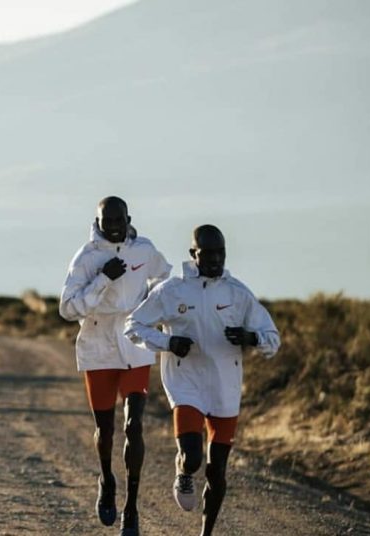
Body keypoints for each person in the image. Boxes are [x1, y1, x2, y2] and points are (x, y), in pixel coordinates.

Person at [124, 224, 280, 536]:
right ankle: (183, 471)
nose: (215, 259)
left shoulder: (237, 293)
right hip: (186, 383)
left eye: (221, 253)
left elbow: (272, 339)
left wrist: (250, 337)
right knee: (193, 457)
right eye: (208, 254)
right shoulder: (173, 290)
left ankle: (206, 533)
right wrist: (169, 342)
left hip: (225, 388)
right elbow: (134, 325)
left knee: (217, 471)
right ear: (193, 254)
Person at [59, 196, 172, 536]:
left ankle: (131, 509)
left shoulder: (144, 249)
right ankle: (107, 479)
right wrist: (102, 279)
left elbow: (165, 278)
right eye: (106, 221)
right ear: (97, 222)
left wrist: (150, 305)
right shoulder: (86, 257)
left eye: (117, 220)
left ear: (128, 219)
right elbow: (67, 309)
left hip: (135, 344)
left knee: (134, 426)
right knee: (106, 430)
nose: (112, 226)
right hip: (98, 346)